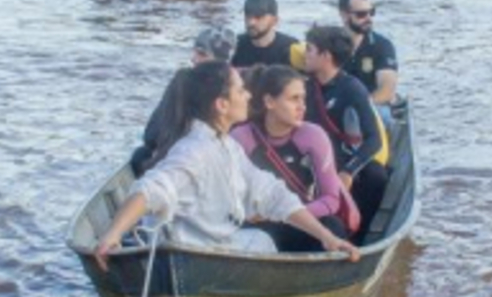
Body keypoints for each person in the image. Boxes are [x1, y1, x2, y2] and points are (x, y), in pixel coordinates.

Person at [94, 61, 359, 264]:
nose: (248, 97)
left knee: (264, 241)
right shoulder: (196, 149)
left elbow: (273, 195)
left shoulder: (228, 146)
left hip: (216, 246)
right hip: (192, 254)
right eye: (241, 90)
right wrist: (113, 234)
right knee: (264, 242)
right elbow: (151, 189)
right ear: (221, 104)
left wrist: (327, 238)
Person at [230, 65, 359, 250]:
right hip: (257, 224)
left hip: (300, 221)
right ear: (269, 102)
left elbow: (331, 199)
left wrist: (291, 214)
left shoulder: (313, 135)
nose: (302, 107)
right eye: (294, 99)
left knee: (333, 226)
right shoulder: (241, 137)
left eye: (303, 99)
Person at [303, 23, 390, 227]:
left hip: (343, 159)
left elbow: (374, 140)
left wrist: (349, 171)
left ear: (326, 56)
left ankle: (361, 233)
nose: (304, 55)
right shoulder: (303, 87)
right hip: (310, 158)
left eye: (309, 50)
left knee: (376, 176)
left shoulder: (352, 89)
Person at [132, 26, 235, 175]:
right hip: (199, 162)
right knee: (140, 155)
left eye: (202, 54)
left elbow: (152, 135)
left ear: (220, 62)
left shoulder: (182, 84)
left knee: (141, 156)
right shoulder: (238, 90)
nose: (193, 58)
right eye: (194, 51)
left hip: (190, 164)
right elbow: (152, 133)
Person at [338, 0, 399, 108]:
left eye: (371, 12)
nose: (369, 19)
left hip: (374, 105)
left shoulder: (382, 46)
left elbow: (386, 91)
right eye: (361, 14)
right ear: (344, 15)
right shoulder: (331, 43)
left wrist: (360, 107)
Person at [231, 0, 305, 70]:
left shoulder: (290, 49)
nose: (251, 22)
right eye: (248, 16)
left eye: (258, 17)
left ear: (275, 20)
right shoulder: (234, 46)